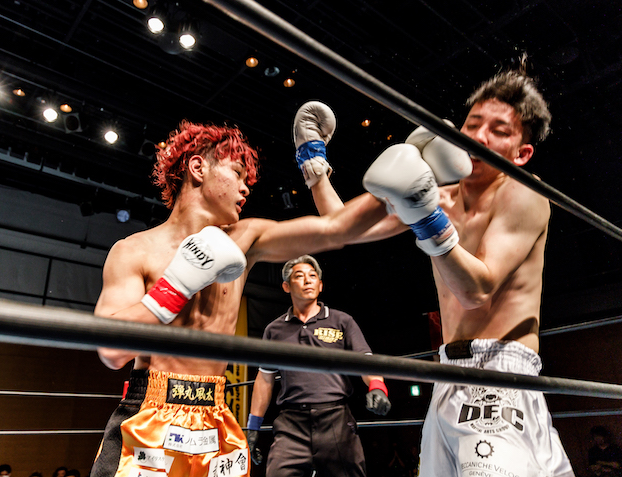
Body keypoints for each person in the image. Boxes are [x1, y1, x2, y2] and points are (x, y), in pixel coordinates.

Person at [296, 67, 574, 476]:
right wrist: (313, 162)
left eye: (498, 130)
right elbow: (340, 228)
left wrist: (426, 218)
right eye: (472, 125)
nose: (478, 137)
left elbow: (476, 290)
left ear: (522, 153)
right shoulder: (437, 196)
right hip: (446, 373)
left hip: (499, 372)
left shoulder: (522, 192)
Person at [90, 120, 388, 477]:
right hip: (149, 413)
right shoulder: (134, 250)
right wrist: (176, 286)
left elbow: (338, 229)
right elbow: (111, 351)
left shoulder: (245, 238)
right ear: (198, 168)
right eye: (237, 173)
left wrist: (321, 168)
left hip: (215, 415)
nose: (246, 188)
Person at [246, 255, 391, 477]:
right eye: (299, 276)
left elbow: (366, 361)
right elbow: (265, 379)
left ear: (320, 285)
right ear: (286, 286)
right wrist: (253, 426)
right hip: (291, 424)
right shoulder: (274, 330)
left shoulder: (342, 321)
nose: (307, 280)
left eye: (313, 276)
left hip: (336, 419)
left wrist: (378, 387)